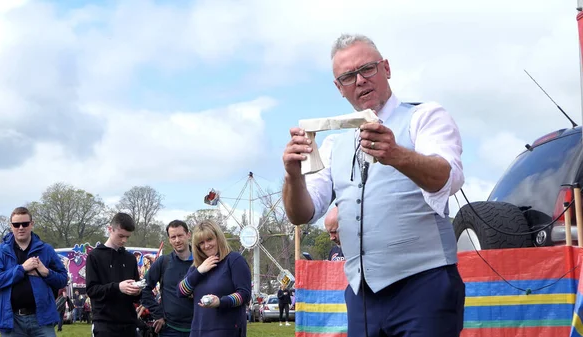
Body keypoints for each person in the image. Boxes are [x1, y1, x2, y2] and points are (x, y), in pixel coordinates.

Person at [282, 33, 465, 337]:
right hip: (362, 295)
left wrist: (397, 155)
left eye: (367, 69)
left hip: (425, 285)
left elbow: (448, 177)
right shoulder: (332, 144)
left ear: (386, 69)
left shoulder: (425, 117)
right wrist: (292, 175)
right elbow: (303, 213)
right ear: (339, 88)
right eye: (348, 76)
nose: (360, 81)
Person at [0, 206, 68, 337]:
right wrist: (22, 268)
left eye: (25, 224)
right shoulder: (0, 251)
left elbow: (63, 280)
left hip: (41, 318)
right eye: (16, 224)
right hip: (12, 319)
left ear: (32, 224)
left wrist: (46, 272)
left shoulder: (46, 249)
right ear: (11, 226)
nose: (21, 228)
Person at [178, 220, 251, 337]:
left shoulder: (234, 260)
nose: (206, 246)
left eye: (210, 239)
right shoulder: (197, 267)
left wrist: (220, 302)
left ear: (218, 238)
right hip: (199, 331)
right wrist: (199, 271)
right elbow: (181, 291)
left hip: (227, 330)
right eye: (201, 243)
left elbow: (244, 294)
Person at [86, 212, 142, 337]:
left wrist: (137, 291)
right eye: (121, 236)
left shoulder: (130, 258)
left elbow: (136, 296)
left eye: (127, 237)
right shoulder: (95, 256)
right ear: (110, 229)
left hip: (129, 323)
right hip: (105, 323)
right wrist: (118, 287)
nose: (124, 240)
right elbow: (92, 290)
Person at [141, 220, 195, 337]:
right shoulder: (163, 262)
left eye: (180, 235)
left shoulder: (201, 261)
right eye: (173, 237)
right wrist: (158, 314)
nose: (177, 240)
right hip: (170, 330)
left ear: (188, 235)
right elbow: (143, 288)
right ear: (169, 240)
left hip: (198, 327)